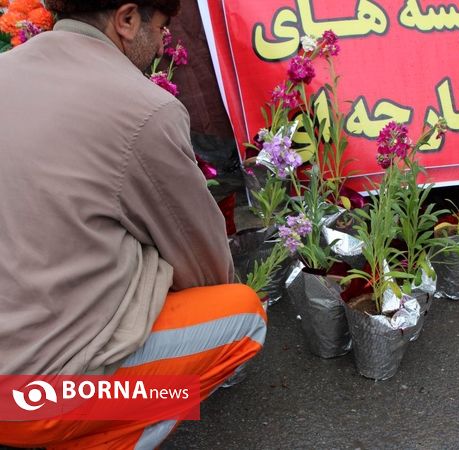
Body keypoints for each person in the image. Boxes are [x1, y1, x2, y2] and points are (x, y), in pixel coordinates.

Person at [0, 1, 266, 447]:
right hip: (29, 401)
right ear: (126, 20)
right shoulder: (144, 108)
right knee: (241, 315)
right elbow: (204, 264)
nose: (166, 40)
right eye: (162, 27)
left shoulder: (7, 70)